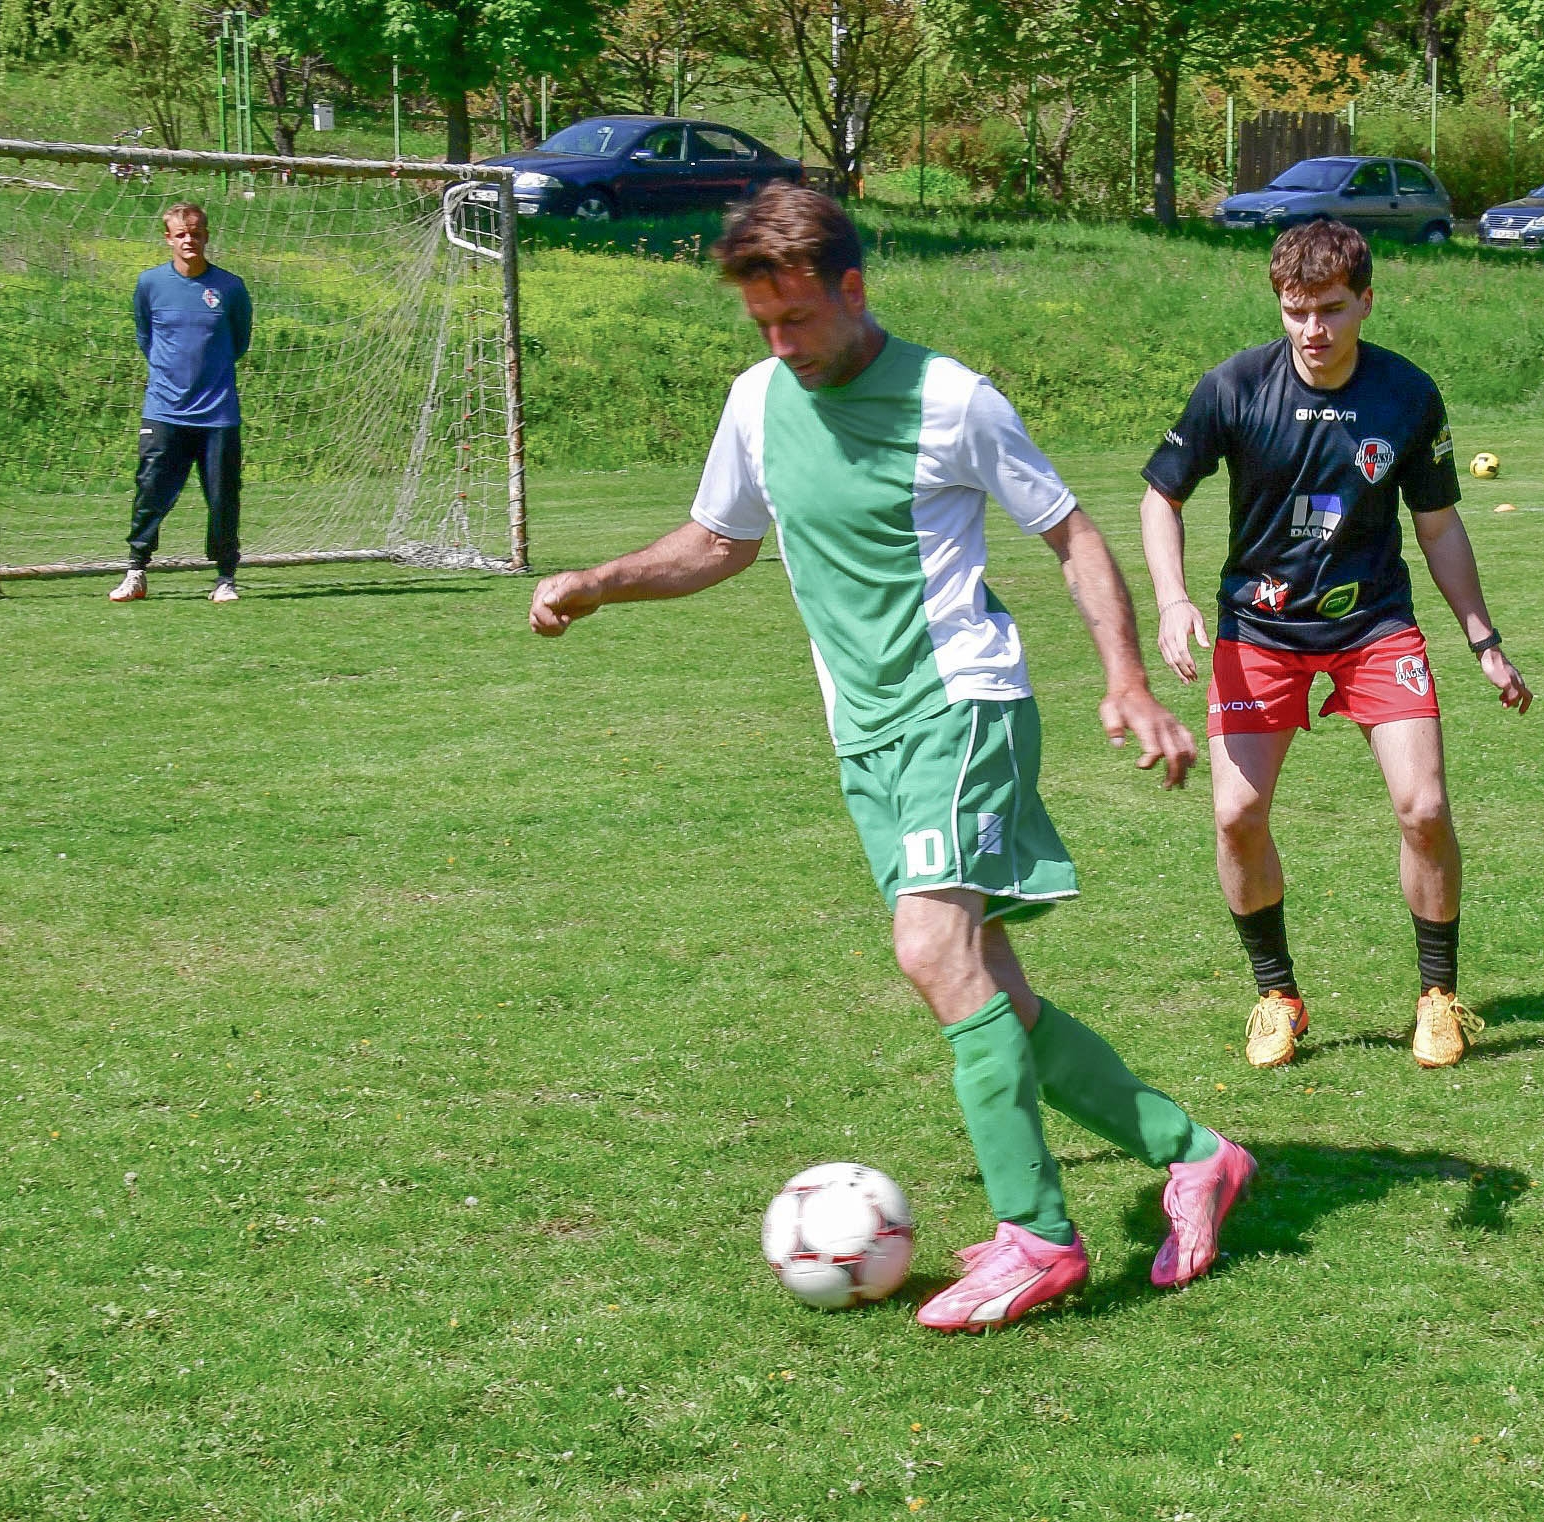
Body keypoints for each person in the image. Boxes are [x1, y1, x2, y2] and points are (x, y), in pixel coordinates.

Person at [527, 185, 1255, 1332]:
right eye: (762, 323)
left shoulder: (951, 399)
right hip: (863, 732)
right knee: (989, 987)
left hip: (960, 706)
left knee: (929, 948)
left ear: (854, 289)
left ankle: (1037, 1237)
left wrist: (1124, 678)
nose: (781, 343)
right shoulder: (757, 402)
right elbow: (719, 540)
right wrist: (598, 583)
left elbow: (1069, 531)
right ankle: (1193, 1152)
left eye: (797, 318)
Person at [1140, 220, 1532, 1072]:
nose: (1312, 329)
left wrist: (1483, 638)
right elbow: (1160, 497)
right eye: (1296, 310)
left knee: (1423, 808)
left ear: (1365, 302)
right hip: (1259, 628)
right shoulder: (1235, 386)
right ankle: (1276, 994)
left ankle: (1437, 995)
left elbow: (1437, 525)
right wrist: (1171, 600)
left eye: (1330, 309)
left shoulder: (1407, 393)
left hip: (1373, 625)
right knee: (1236, 816)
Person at [113, 202, 253, 604]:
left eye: (195, 233)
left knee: (223, 497)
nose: (189, 240)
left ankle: (225, 578)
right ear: (168, 238)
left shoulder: (230, 287)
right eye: (181, 234)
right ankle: (136, 571)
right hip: (164, 411)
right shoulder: (150, 284)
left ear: (206, 235)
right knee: (150, 490)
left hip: (218, 415)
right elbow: (146, 337)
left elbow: (239, 342)